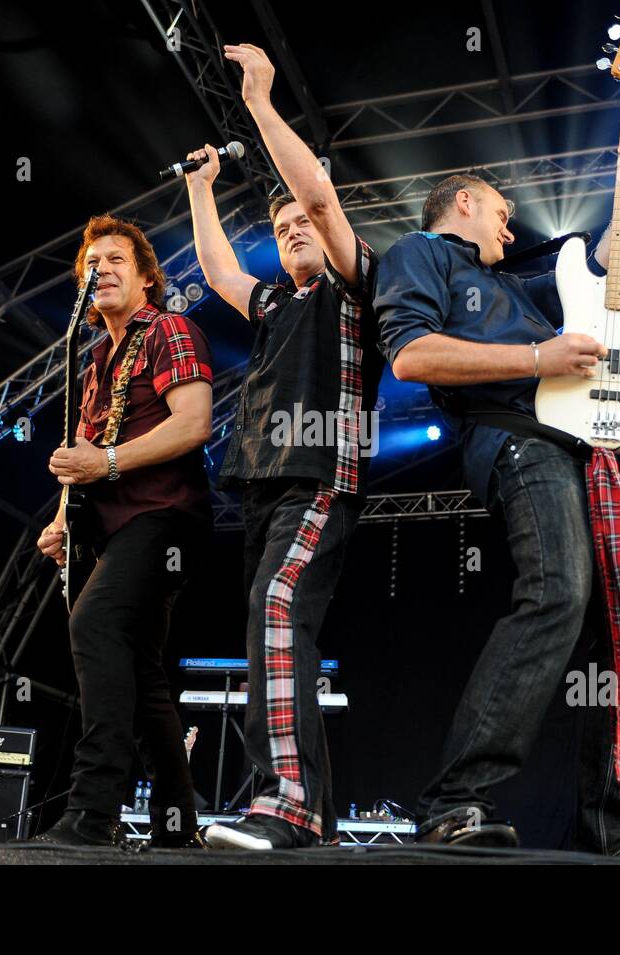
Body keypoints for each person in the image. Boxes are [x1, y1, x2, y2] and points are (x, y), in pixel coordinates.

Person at [373, 117, 620, 853]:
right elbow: (410, 355)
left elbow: (605, 262)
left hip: (580, 448)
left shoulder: (510, 280)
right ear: (465, 203)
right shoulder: (419, 254)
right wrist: (539, 355)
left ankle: (614, 825)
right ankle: (454, 798)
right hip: (514, 439)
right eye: (503, 216)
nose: (511, 233)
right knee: (558, 592)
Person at [182, 42, 384, 850]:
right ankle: (315, 823)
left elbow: (323, 199)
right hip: (263, 484)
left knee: (275, 608)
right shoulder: (272, 301)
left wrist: (261, 104)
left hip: (319, 475)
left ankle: (289, 800)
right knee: (276, 627)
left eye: (302, 220)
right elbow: (217, 268)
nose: (296, 227)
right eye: (282, 225)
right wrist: (201, 190)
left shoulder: (353, 284)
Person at [33, 213, 214, 849]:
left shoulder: (169, 328)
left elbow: (193, 424)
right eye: (92, 264)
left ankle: (93, 810)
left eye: (115, 260)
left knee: (95, 623)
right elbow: (83, 458)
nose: (101, 270)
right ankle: (175, 825)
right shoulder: (94, 362)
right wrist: (61, 521)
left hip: (165, 516)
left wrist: (105, 461)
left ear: (144, 277)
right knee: (143, 673)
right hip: (112, 525)